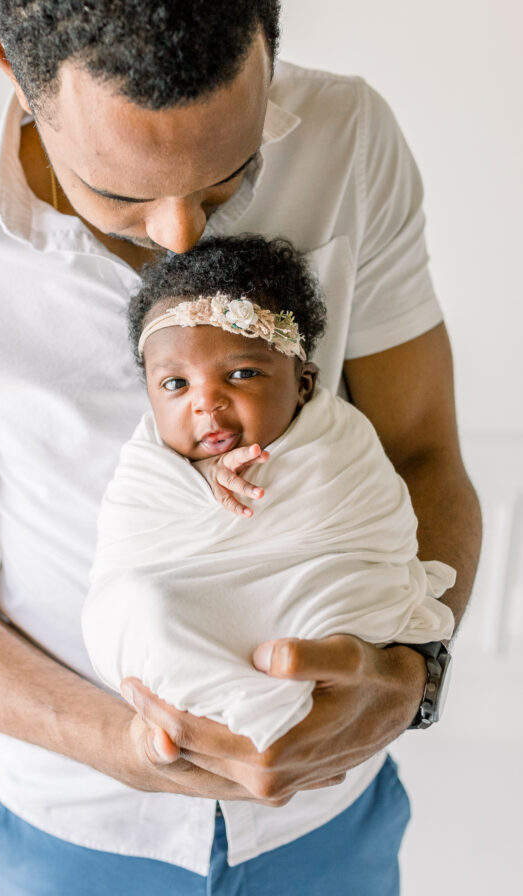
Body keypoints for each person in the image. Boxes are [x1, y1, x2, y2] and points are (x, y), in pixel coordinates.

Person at [0, 0, 480, 893]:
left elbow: (421, 453)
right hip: (79, 826)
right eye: (121, 191)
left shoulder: (351, 139)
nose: (183, 235)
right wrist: (121, 740)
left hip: (330, 809)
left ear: (268, 43)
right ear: (14, 71)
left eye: (229, 174)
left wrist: (413, 671)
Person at [83, 234, 456, 753]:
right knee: (139, 607)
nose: (206, 403)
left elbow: (372, 534)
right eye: (175, 385)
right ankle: (247, 709)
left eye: (241, 374)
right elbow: (128, 555)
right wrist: (206, 478)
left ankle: (289, 702)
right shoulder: (148, 464)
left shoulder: (334, 442)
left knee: (344, 599)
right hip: (186, 605)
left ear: (304, 384)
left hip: (314, 596)